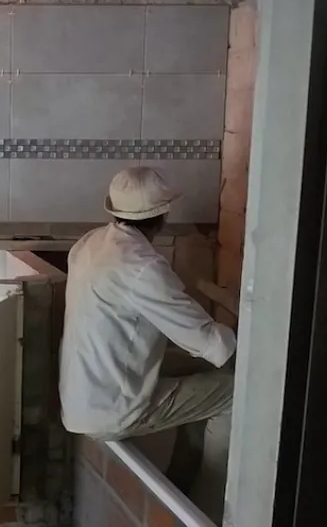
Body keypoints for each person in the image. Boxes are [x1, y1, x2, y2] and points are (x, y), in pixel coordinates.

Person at [59, 166, 237, 522]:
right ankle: (209, 508)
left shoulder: (90, 243)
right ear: (163, 214)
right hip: (111, 409)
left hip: (86, 393)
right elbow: (205, 340)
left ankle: (182, 483)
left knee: (201, 372)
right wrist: (251, 345)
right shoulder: (142, 267)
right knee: (235, 392)